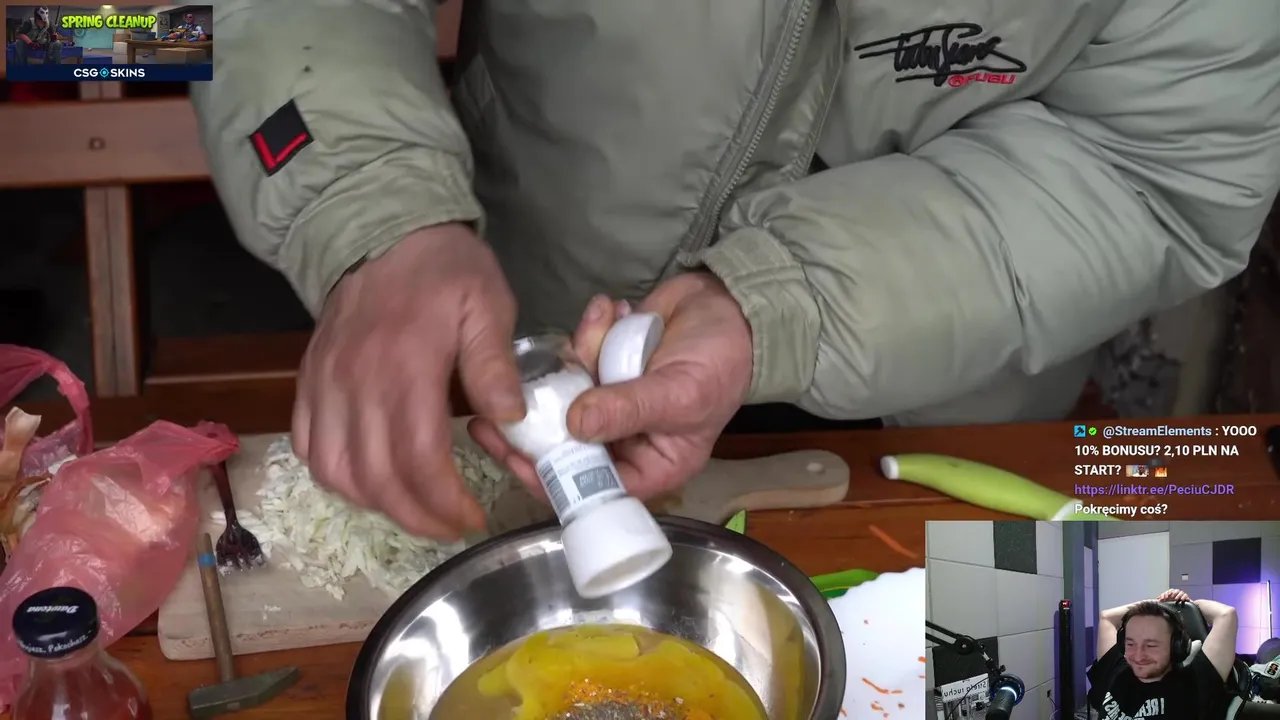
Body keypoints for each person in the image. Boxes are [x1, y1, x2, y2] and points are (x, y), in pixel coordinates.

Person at [191, 1, 1280, 539]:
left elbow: (1159, 164)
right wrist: (374, 209)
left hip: (947, 403)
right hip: (524, 337)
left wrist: (777, 305)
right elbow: (228, 14)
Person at [1089, 589, 1237, 720]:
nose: (1138, 656)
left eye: (1151, 646)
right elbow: (1106, 617)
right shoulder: (1116, 669)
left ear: (1176, 646)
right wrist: (1156, 604)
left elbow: (1226, 615)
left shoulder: (1195, 684)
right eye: (1130, 644)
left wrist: (1190, 605)